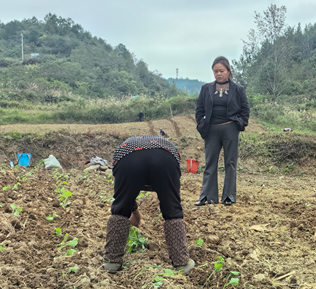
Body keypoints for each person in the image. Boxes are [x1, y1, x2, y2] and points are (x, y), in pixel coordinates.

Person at [103, 134, 195, 275]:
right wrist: (136, 215)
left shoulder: (122, 151)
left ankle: (112, 261)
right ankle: (181, 262)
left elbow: (125, 195)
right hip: (165, 158)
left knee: (120, 207)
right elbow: (172, 196)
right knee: (172, 208)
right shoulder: (169, 149)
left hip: (128, 158)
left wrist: (131, 211)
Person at [194, 57, 250, 206]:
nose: (218, 74)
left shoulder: (238, 89)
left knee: (230, 162)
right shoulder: (206, 88)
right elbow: (199, 109)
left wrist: (239, 124)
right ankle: (207, 196)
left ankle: (229, 196)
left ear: (228, 71)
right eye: (215, 71)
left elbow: (245, 109)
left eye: (221, 71)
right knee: (210, 162)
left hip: (230, 128)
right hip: (211, 130)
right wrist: (201, 124)